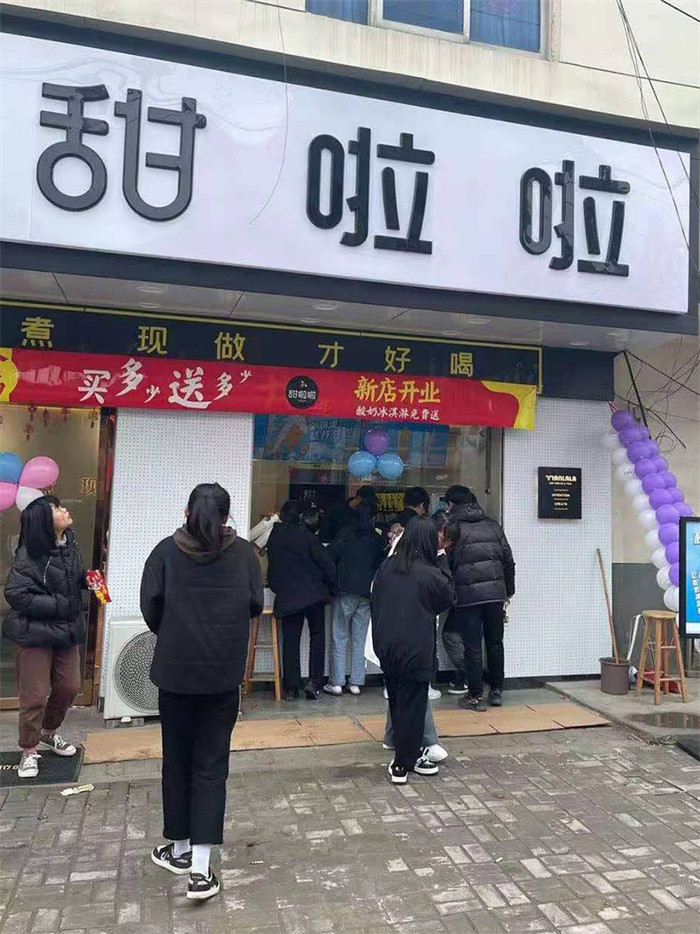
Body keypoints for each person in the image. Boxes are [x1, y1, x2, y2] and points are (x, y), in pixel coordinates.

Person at [140, 483, 263, 902]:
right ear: (227, 517)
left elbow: (151, 608)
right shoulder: (244, 554)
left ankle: (178, 849)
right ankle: (199, 870)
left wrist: (176, 631)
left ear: (187, 511)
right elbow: (254, 604)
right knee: (210, 767)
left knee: (176, 760)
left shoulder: (165, 552)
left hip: (175, 673)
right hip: (221, 677)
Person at [4, 496, 86, 780]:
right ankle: (28, 749)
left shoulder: (70, 547)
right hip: (34, 634)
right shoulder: (28, 553)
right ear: (43, 522)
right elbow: (16, 594)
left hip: (66, 631)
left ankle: (48, 732)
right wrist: (58, 605)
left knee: (69, 686)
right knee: (35, 695)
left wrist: (88, 581)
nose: (64, 510)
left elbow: (69, 581)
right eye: (56, 509)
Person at [371, 516, 456, 784]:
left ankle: (408, 755)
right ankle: (402, 763)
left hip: (387, 646)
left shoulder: (387, 567)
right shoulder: (429, 572)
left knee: (398, 702)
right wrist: (441, 559)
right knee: (414, 705)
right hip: (416, 648)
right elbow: (448, 596)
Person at [441, 485, 515, 711]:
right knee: (495, 643)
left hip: (467, 596)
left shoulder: (453, 528)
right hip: (495, 595)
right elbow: (508, 559)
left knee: (472, 646)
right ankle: (497, 691)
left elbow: (447, 563)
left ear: (451, 505)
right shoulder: (493, 525)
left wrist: (448, 593)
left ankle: (475, 696)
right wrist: (508, 590)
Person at [266, 500, 336, 700]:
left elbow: (273, 570)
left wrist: (279, 588)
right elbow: (328, 566)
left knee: (290, 640)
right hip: (313, 595)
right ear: (300, 517)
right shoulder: (308, 538)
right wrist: (329, 587)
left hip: (288, 596)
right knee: (317, 637)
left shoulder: (274, 537)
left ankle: (290, 688)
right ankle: (313, 683)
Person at [324, 503, 384, 696]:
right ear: (373, 518)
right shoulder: (377, 539)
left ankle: (337, 682)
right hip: (366, 594)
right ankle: (356, 682)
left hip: (344, 591)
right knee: (360, 640)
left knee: (339, 637)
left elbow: (329, 556)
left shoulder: (345, 535)